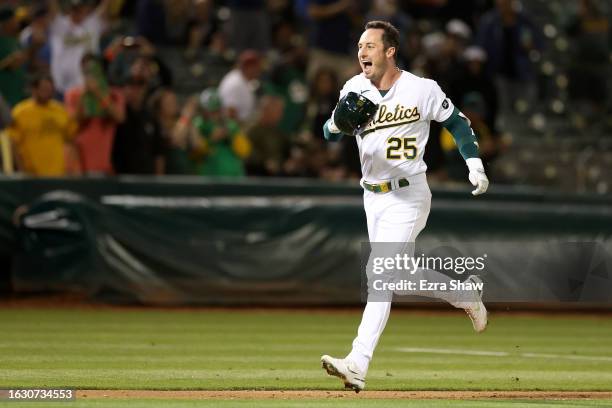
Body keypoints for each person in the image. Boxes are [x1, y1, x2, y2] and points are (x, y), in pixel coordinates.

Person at [320, 21, 489, 393]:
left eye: (370, 46)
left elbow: (458, 123)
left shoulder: (421, 89)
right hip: (372, 197)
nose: (362, 52)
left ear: (390, 50)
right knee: (398, 275)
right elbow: (328, 131)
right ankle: (465, 295)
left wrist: (473, 163)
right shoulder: (354, 87)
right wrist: (337, 122)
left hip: (409, 194)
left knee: (379, 273)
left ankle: (357, 362)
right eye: (360, 46)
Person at [64, 53, 125, 174]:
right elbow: (74, 122)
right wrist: (85, 95)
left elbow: (119, 117)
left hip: (104, 166)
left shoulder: (115, 95)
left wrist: (98, 94)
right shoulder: (73, 94)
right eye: (86, 70)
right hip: (79, 167)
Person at [7, 75, 77, 176]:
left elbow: (71, 140)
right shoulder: (20, 112)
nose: (48, 93)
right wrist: (21, 170)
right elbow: (12, 143)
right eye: (44, 89)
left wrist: (71, 168)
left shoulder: (60, 110)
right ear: (33, 89)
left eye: (50, 89)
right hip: (31, 174)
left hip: (59, 173)